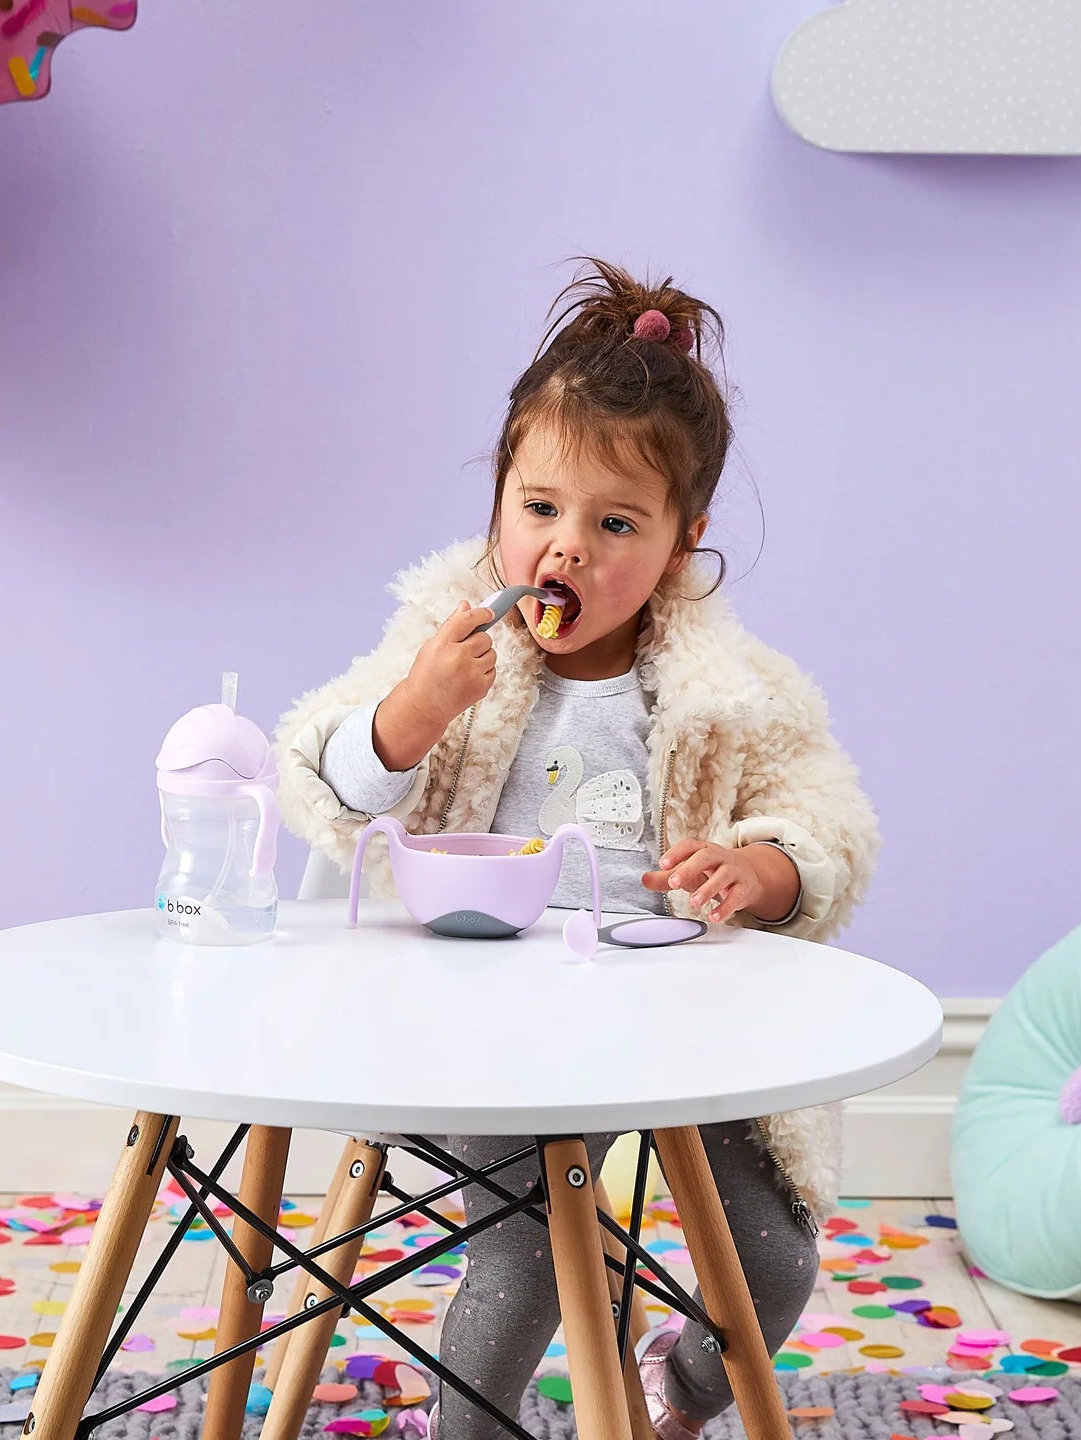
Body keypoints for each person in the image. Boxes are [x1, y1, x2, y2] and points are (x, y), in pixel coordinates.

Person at [275, 258, 880, 1439]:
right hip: (479, 1034)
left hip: (669, 1037)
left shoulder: (723, 688)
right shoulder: (444, 643)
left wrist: (769, 866)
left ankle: (678, 1391)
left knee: (773, 1264)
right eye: (540, 509)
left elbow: (828, 815)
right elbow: (322, 775)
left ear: (681, 543)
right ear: (497, 502)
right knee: (533, 1260)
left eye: (616, 525)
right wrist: (412, 712)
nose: (566, 551)